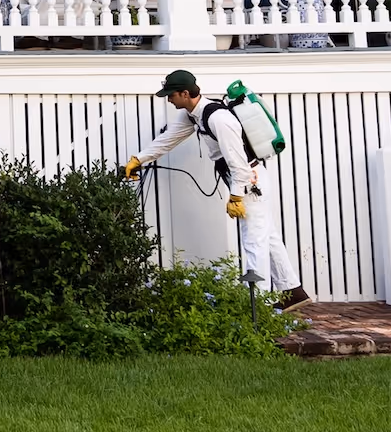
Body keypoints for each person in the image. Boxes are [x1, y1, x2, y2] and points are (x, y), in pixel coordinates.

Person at [124, 68, 311, 311]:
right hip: (242, 178)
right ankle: (293, 291)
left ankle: (258, 307)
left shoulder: (218, 119)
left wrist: (236, 195)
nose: (168, 99)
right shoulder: (193, 115)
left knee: (253, 240)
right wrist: (139, 159)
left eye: (171, 95)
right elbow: (169, 139)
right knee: (268, 235)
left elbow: (238, 161)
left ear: (185, 93)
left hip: (249, 181)